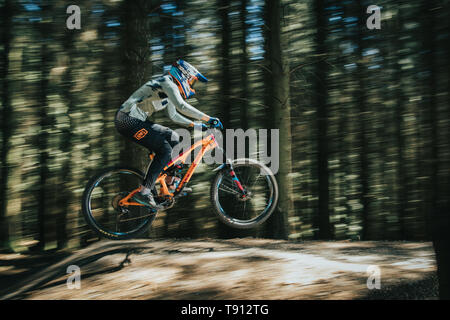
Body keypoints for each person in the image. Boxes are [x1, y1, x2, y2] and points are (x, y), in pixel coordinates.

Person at [115, 59, 223, 208]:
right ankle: (145, 191)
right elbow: (181, 106)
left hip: (134, 121)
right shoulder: (168, 83)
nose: (191, 86)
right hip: (127, 120)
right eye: (191, 81)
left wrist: (197, 125)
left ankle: (169, 185)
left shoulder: (169, 89)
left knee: (174, 137)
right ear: (184, 75)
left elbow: (174, 115)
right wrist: (209, 118)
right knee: (165, 149)